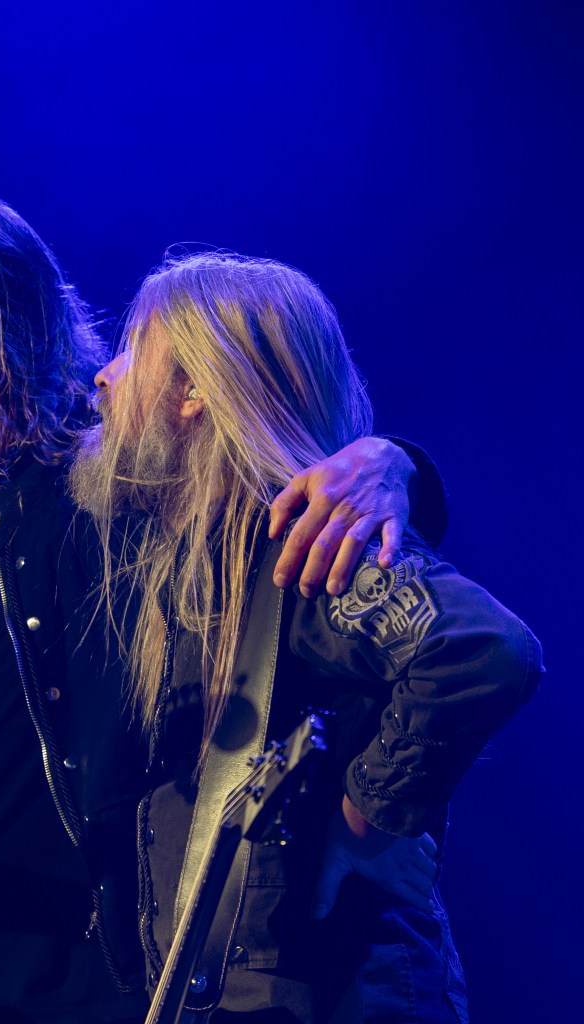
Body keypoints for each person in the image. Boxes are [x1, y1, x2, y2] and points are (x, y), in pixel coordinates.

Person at [0, 193, 438, 1024]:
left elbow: (265, 466)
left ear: (11, 320)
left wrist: (397, 465)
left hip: (81, 988)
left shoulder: (112, 481)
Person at [70, 252, 544, 1023]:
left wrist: (365, 822)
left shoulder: (306, 543)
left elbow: (484, 650)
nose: (104, 374)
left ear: (194, 390)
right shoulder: (195, 553)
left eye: (133, 349)